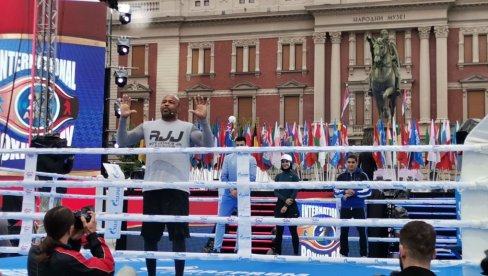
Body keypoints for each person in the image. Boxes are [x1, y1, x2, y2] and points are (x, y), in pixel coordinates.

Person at [116, 94, 214, 276]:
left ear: (178, 107)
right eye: (164, 101)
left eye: (171, 102)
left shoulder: (187, 127)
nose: (166, 104)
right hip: (153, 187)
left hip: (178, 188)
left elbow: (208, 145)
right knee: (150, 237)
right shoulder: (148, 126)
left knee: (178, 237)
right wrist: (123, 119)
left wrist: (204, 121)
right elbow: (122, 141)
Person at [27, 206, 114, 275]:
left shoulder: (34, 250)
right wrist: (92, 235)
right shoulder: (69, 259)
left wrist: (73, 240)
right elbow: (108, 268)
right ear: (69, 229)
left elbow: (67, 269)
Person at [213, 136, 257, 253]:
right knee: (221, 221)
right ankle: (216, 248)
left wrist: (240, 191)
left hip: (244, 196)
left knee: (242, 223)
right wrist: (232, 189)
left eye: (242, 145)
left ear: (245, 145)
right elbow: (223, 176)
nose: (239, 147)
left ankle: (239, 248)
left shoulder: (251, 160)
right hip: (228, 194)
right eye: (237, 145)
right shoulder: (228, 158)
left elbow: (252, 179)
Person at [334, 154, 371, 257]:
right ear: (346, 163)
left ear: (356, 163)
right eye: (349, 162)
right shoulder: (341, 177)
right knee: (344, 232)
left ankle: (363, 255)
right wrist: (344, 192)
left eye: (353, 162)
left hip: (358, 207)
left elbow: (368, 192)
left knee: (362, 232)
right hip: (345, 208)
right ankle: (343, 255)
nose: (351, 164)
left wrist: (355, 193)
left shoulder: (363, 175)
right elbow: (336, 192)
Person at [273, 154, 300, 256]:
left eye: (286, 162)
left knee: (293, 231)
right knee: (279, 232)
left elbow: (295, 191)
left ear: (290, 163)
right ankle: (278, 253)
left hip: (291, 205)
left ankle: (296, 254)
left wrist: (287, 204)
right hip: (280, 204)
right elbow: (275, 192)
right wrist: (285, 201)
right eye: (283, 161)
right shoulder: (278, 176)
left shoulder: (294, 176)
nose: (284, 164)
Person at [367, 29, 401, 96]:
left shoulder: (391, 44)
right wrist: (370, 41)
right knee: (370, 73)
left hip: (390, 63)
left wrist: (393, 58)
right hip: (379, 63)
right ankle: (370, 88)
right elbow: (374, 49)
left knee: (398, 73)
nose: (387, 35)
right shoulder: (379, 43)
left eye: (387, 34)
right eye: (385, 34)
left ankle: (397, 88)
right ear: (382, 35)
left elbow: (396, 55)